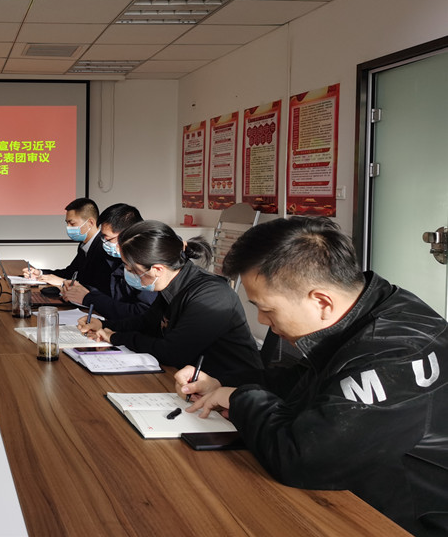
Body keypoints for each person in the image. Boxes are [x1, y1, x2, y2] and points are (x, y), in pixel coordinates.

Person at [175, 216, 448, 536]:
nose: (262, 320)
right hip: (362, 493)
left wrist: (240, 398)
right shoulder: (368, 305)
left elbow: (302, 459)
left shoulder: (398, 354)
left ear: (321, 301)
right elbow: (304, 382)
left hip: (404, 521)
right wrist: (223, 383)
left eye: (267, 309)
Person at [78, 220, 262, 378]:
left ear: (157, 269)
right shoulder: (173, 283)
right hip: (187, 379)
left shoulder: (211, 295)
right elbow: (147, 322)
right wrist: (104, 325)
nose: (128, 273)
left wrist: (114, 337)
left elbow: (171, 352)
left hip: (231, 389)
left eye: (132, 269)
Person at [60, 203, 157, 319]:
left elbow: (141, 313)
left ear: (130, 235)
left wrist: (88, 297)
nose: (104, 243)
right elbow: (110, 296)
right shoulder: (115, 259)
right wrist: (83, 290)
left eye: (108, 239)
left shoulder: (148, 265)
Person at [23, 197, 114, 295]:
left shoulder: (104, 248)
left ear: (90, 223)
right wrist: (40, 273)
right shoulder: (83, 245)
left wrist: (64, 283)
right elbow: (70, 272)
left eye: (72, 223)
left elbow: (98, 288)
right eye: (67, 223)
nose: (68, 227)